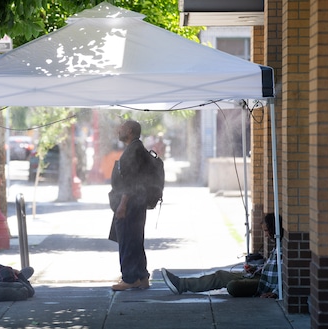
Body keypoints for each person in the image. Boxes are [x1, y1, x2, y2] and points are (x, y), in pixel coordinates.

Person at [161, 213, 282, 298]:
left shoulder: (283, 249)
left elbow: (285, 275)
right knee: (220, 275)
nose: (265, 235)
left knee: (233, 287)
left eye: (266, 231)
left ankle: (182, 284)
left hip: (263, 285)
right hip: (260, 277)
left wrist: (276, 292)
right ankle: (181, 284)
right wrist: (256, 269)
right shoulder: (276, 245)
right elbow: (272, 269)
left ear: (273, 229)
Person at [109, 120, 152, 291]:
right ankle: (141, 276)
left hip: (130, 203)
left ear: (130, 130)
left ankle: (129, 278)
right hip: (137, 202)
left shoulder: (134, 151)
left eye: (121, 128)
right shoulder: (137, 148)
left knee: (127, 240)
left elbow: (131, 181)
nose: (118, 130)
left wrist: (123, 204)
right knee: (135, 240)